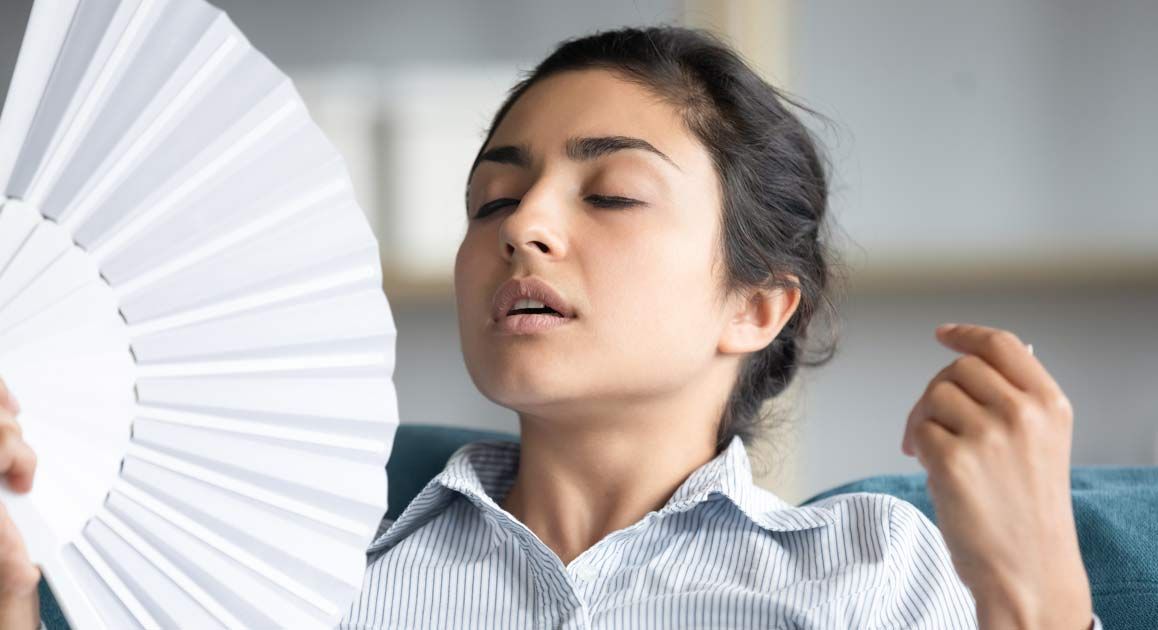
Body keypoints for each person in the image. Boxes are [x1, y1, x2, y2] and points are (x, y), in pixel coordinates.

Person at [0, 26, 1100, 629]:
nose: (523, 227)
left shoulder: (873, 571)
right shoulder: (318, 577)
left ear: (756, 305)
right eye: (491, 199)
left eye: (610, 194)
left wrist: (1040, 595)